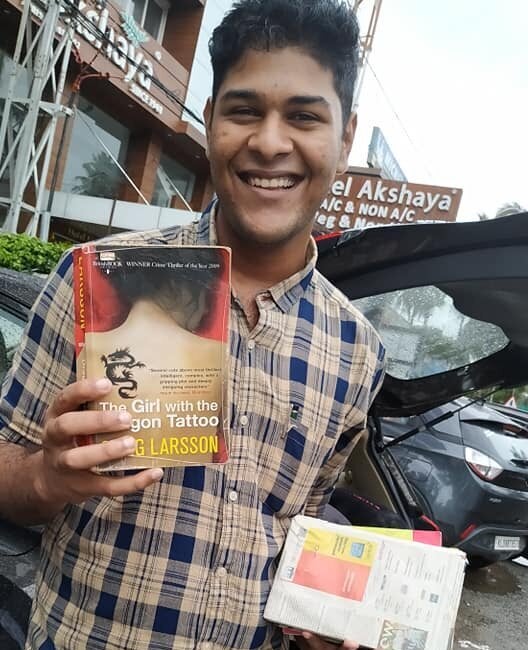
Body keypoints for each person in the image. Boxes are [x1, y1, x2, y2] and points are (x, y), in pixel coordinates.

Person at [0, 1, 385, 649]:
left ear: (344, 140)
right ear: (209, 124)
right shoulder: (95, 278)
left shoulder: (355, 352)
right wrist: (46, 475)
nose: (269, 141)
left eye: (304, 116)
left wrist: (321, 613)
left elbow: (301, 526)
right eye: (243, 110)